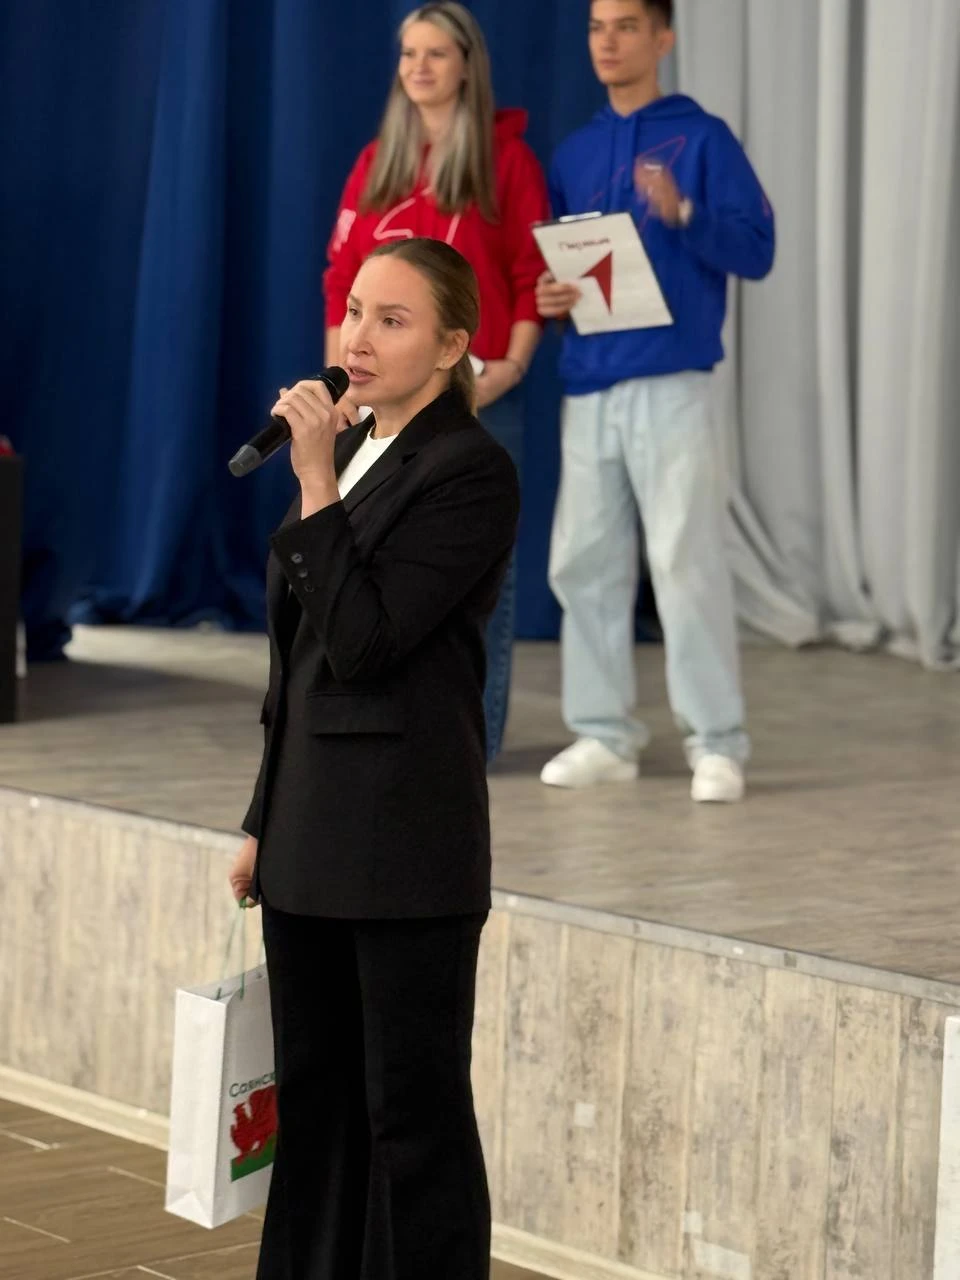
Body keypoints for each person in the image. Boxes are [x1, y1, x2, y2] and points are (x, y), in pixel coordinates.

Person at [229, 238, 519, 1280]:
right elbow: (298, 669)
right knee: (313, 1107)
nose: (358, 335)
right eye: (355, 309)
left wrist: (314, 477)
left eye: (392, 320)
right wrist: (263, 818)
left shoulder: (469, 471)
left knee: (410, 1116)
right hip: (309, 835)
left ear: (450, 346)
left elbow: (364, 643)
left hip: (403, 846)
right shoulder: (355, 452)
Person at [536, 0, 775, 802]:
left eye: (627, 26)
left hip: (674, 381)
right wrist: (552, 296)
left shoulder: (703, 138)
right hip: (589, 382)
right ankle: (604, 733)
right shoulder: (574, 152)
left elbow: (759, 249)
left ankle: (717, 741)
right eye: (597, 27)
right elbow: (568, 264)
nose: (608, 41)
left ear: (663, 38)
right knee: (583, 563)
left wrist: (685, 213)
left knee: (684, 560)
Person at [324, 1, 549, 763]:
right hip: (381, 399)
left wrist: (513, 364)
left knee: (478, 576)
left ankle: (471, 742)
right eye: (408, 53)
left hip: (482, 395)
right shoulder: (377, 161)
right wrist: (342, 380)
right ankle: (374, 730)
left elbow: (530, 273)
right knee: (370, 557)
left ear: (467, 66)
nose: (419, 67)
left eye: (436, 53)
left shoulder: (505, 162)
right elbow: (341, 281)